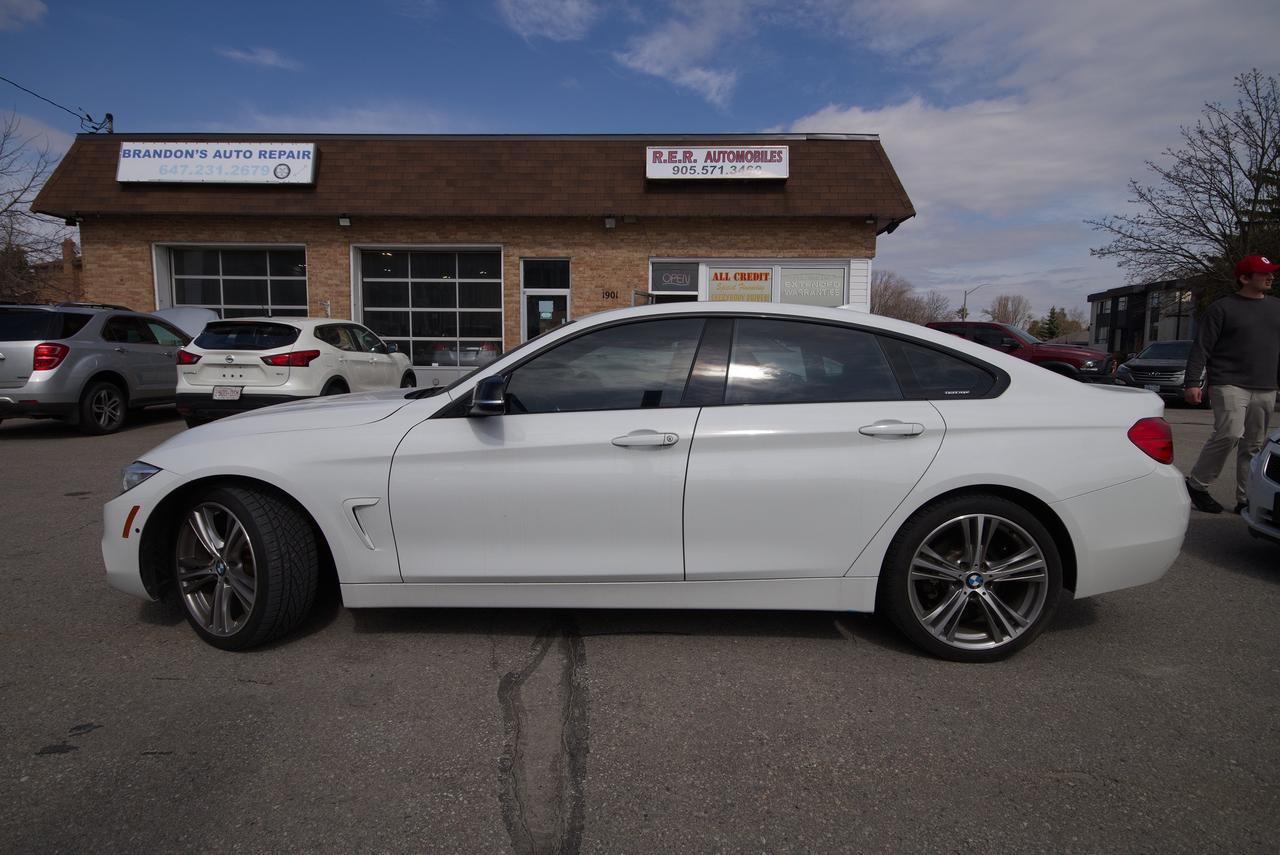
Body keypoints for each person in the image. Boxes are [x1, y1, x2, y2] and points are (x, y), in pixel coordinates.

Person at [1183, 255, 1280, 513]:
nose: (1271, 277)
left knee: (1254, 444)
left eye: (1271, 273)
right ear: (1245, 278)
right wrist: (1193, 382)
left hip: (1266, 386)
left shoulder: (1277, 307)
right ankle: (1198, 485)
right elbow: (1201, 347)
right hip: (1229, 383)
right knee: (1229, 434)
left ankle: (1246, 499)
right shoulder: (1222, 308)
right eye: (1264, 273)